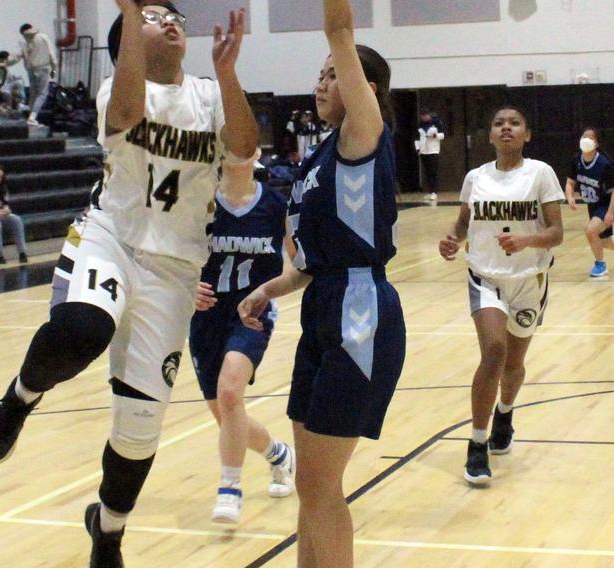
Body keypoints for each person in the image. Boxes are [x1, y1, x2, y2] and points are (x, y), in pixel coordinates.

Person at [0, 3, 258, 566]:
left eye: (174, 15)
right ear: (128, 35)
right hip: (112, 237)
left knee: (139, 429)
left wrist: (228, 76)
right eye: (153, 16)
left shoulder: (206, 94)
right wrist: (130, 14)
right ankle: (19, 398)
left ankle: (108, 530)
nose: (171, 20)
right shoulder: (116, 88)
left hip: (175, 269)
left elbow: (244, 150)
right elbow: (127, 113)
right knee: (83, 328)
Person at [238, 2, 405, 565]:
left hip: (362, 312)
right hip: (322, 308)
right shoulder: (317, 160)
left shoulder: (363, 134)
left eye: (333, 73)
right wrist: (268, 290)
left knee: (321, 487)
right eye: (320, 73)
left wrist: (340, 43)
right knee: (311, 489)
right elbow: (309, 264)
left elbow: (339, 28)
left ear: (367, 87)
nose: (321, 81)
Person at [438, 105, 564, 487]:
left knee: (514, 364)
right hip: (485, 276)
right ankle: (477, 444)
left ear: (526, 134)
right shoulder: (476, 177)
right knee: (493, 352)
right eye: (498, 123)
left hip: (529, 278)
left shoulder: (540, 173)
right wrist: (452, 240)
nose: (506, 128)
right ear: (490, 135)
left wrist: (527, 239)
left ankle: (505, 413)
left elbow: (557, 232)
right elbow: (463, 224)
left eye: (514, 123)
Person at [189, 151, 296, 525]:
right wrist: (186, 287)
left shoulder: (277, 204)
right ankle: (279, 455)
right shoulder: (197, 200)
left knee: (231, 392)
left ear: (254, 152)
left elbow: (301, 264)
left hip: (251, 314)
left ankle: (230, 488)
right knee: (227, 415)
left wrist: (268, 294)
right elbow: (170, 258)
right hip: (204, 317)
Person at [564, 127, 614, 277]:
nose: (586, 139)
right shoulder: (576, 160)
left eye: (590, 137)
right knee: (604, 240)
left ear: (596, 143)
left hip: (610, 202)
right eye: (584, 136)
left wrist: (610, 212)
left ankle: (600, 265)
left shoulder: (604, 163)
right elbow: (570, 183)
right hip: (594, 203)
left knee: (591, 231)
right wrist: (570, 197)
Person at [7, 23, 57, 126]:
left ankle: (30, 116)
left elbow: (16, 57)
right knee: (42, 94)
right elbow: (51, 54)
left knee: (33, 94)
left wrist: (5, 63)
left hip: (31, 70)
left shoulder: (23, 42)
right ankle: (32, 117)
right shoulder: (43, 37)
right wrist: (54, 68)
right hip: (43, 68)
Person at [416, 109, 445, 201]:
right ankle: (429, 191)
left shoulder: (436, 123)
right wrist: (418, 149)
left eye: (426, 115)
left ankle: (434, 192)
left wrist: (435, 136)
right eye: (422, 116)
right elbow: (416, 138)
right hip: (423, 151)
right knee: (427, 172)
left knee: (433, 171)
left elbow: (443, 135)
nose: (424, 117)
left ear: (429, 115)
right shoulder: (419, 125)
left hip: (433, 150)